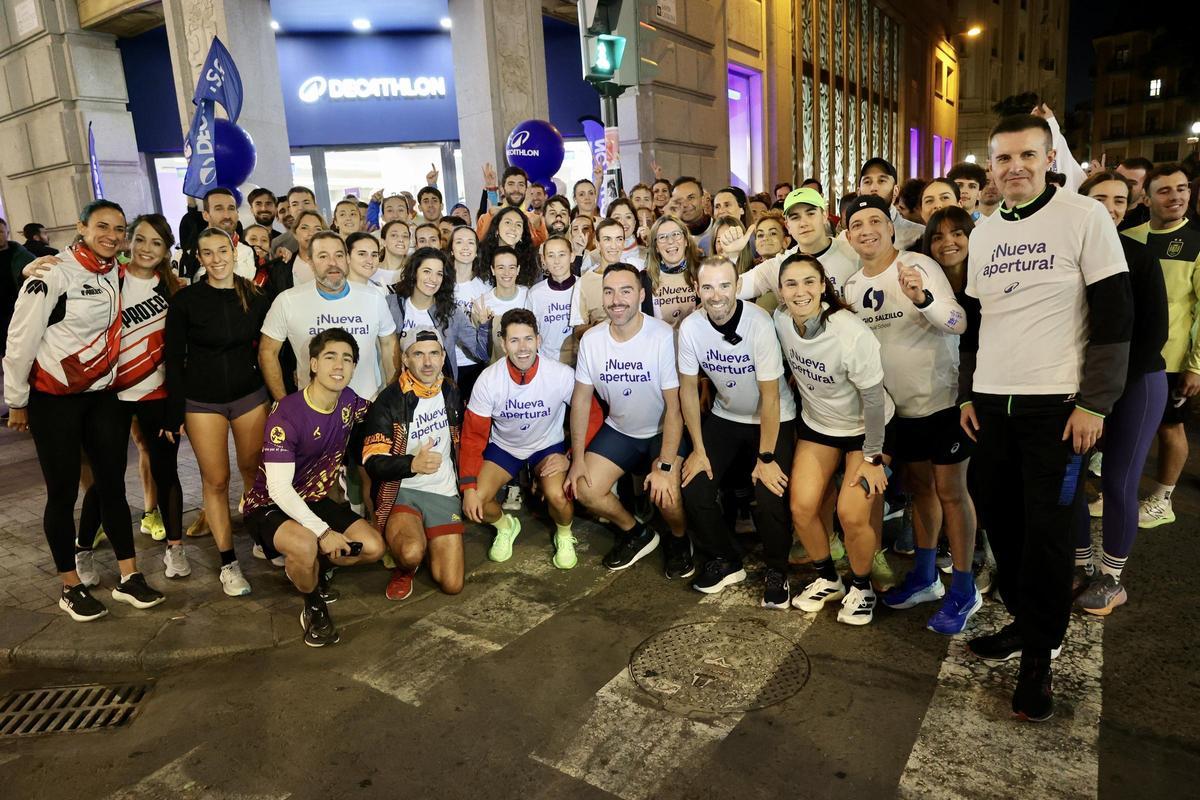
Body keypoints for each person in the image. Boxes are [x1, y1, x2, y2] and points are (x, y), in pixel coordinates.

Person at [959, 114, 1132, 722]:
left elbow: (1114, 320)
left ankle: (1040, 657)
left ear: (1050, 157)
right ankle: (1029, 624)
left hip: (1056, 408)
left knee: (1049, 535)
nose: (1015, 168)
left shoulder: (1084, 219)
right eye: (1003, 159)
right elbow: (977, 324)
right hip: (991, 404)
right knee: (1002, 523)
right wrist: (966, 394)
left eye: (1027, 156)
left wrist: (1094, 404)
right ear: (992, 167)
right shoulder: (982, 233)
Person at [4, 199, 166, 621]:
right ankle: (69, 585)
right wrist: (16, 400)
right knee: (61, 493)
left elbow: (159, 263)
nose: (112, 236)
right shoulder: (53, 272)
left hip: (102, 398)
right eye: (102, 227)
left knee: (111, 485)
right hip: (52, 400)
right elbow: (20, 339)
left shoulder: (118, 270)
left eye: (119, 229)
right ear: (82, 226)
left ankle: (129, 577)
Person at [840, 195, 977, 634]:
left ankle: (964, 587)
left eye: (875, 220)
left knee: (951, 493)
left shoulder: (918, 265)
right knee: (920, 490)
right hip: (896, 412)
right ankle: (924, 576)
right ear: (847, 235)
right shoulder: (851, 286)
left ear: (891, 227)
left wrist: (922, 298)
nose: (866, 230)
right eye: (857, 223)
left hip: (941, 403)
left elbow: (958, 322)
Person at [242, 329, 384, 646]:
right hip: (270, 505)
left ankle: (316, 567)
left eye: (347, 359)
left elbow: (377, 412)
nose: (340, 365)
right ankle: (313, 603)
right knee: (306, 544)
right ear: (314, 364)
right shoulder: (287, 415)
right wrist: (323, 532)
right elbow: (278, 489)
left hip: (313, 499)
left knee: (373, 547)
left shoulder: (347, 400)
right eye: (331, 356)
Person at [775, 253, 894, 626]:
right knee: (802, 507)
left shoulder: (849, 333)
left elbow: (874, 400)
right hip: (819, 425)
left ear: (823, 285)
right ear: (780, 291)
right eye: (791, 283)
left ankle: (861, 586)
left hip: (867, 430)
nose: (800, 291)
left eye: (809, 281)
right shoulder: (780, 320)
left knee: (851, 512)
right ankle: (828, 578)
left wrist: (874, 458)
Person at [1071, 171, 1168, 616]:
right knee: (1068, 479)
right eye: (1100, 198)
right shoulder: (1066, 253)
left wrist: (1102, 399)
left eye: (1119, 200)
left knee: (1118, 480)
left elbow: (1153, 335)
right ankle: (1081, 564)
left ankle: (1111, 577)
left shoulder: (1139, 257)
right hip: (1078, 385)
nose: (1109, 208)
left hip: (1136, 383)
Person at [679, 256, 797, 606]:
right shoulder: (691, 327)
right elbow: (687, 389)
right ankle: (726, 559)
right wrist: (698, 449)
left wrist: (766, 456)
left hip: (773, 418)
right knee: (695, 487)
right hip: (726, 415)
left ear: (736, 287)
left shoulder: (758, 322)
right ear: (697, 289)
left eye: (725, 285)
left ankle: (778, 569)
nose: (717, 295)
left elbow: (771, 396)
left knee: (769, 491)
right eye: (708, 287)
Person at [165, 226, 273, 597]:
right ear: (199, 257)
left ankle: (261, 536)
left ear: (234, 250)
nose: (216, 259)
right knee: (215, 480)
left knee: (254, 471)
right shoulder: (186, 301)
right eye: (207, 252)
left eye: (222, 250)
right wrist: (173, 411)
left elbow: (273, 348)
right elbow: (173, 360)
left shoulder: (255, 295)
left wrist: (279, 395)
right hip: (202, 401)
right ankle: (228, 562)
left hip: (248, 395)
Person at [567, 264, 693, 577]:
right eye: (609, 292)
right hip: (621, 430)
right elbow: (581, 400)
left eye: (625, 291)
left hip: (663, 431)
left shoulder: (662, 336)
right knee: (584, 488)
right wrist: (578, 458)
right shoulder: (592, 341)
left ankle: (678, 539)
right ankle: (636, 533)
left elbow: (674, 408)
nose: (616, 299)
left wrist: (664, 467)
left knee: (667, 496)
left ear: (640, 295)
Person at [460, 309, 588, 566]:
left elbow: (590, 415)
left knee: (558, 497)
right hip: (505, 447)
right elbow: (473, 436)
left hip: (546, 445)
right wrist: (468, 487)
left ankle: (564, 534)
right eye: (515, 340)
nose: (522, 348)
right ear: (503, 343)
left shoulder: (560, 374)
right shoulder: (488, 380)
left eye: (528, 339)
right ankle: (505, 526)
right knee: (477, 502)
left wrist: (572, 457)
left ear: (538, 340)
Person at [1123, 164, 1200, 529]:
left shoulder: (1197, 244)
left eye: (1182, 189)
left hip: (1170, 360)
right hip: (1126, 354)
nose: (1177, 197)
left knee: (1170, 427)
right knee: (1124, 424)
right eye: (1166, 191)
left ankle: (1163, 498)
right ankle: (1117, 490)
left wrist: (1196, 365)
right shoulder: (1129, 236)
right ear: (1146, 198)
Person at [363, 326, 466, 600]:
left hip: (443, 491)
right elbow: (373, 462)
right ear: (405, 359)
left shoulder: (452, 393)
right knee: (410, 553)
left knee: (452, 584)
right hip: (402, 491)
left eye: (434, 354)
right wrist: (412, 465)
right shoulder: (388, 401)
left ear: (444, 357)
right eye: (418, 354)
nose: (428, 362)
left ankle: (429, 536)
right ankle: (405, 568)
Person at [260, 231, 397, 404]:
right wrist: (284, 403)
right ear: (310, 261)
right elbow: (267, 352)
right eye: (323, 256)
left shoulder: (373, 297)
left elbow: (389, 344)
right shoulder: (287, 300)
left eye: (339, 255)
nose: (333, 263)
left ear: (347, 258)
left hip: (367, 407)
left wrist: (391, 398)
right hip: (313, 412)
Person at [732, 187, 860, 302]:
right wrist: (731, 255)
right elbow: (733, 289)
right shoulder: (779, 265)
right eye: (795, 217)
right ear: (788, 225)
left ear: (824, 215)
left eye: (810, 214)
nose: (803, 223)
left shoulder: (853, 254)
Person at [388, 246, 488, 383]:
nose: (433, 279)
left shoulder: (451, 313)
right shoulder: (392, 305)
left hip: (440, 394)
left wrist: (484, 326)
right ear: (414, 272)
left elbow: (481, 353)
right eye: (427, 271)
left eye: (439, 274)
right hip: (399, 391)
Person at [852, 158, 924, 250]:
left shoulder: (917, 235)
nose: (874, 188)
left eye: (881, 181)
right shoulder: (847, 238)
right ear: (859, 192)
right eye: (867, 182)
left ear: (895, 191)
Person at [528, 235, 579, 364]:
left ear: (572, 256)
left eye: (562, 254)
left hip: (580, 363)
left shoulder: (585, 286)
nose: (557, 261)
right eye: (551, 255)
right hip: (548, 363)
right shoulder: (535, 293)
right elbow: (530, 331)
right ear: (543, 259)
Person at [189, 188, 255, 282]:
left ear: (237, 214)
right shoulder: (188, 253)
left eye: (231, 208)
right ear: (206, 215)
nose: (227, 216)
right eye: (219, 209)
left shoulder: (248, 252)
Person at [477, 166, 548, 246]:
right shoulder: (487, 218)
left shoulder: (534, 220)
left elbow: (542, 248)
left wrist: (538, 227)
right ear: (502, 189)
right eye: (511, 184)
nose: (516, 189)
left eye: (521, 185)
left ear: (526, 189)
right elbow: (481, 245)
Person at [672, 177, 714, 253]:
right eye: (679, 200)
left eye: (690, 198)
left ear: (703, 200)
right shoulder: (670, 236)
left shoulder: (719, 228)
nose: (685, 204)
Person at [607, 197, 646, 269]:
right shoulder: (594, 257)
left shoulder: (648, 254)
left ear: (635, 222)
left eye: (628, 217)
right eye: (617, 218)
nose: (623, 223)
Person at [1115, 157, 1153, 231]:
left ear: (1145, 188)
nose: (1122, 185)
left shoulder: (1151, 223)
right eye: (1118, 179)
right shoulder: (1096, 210)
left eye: (1131, 183)